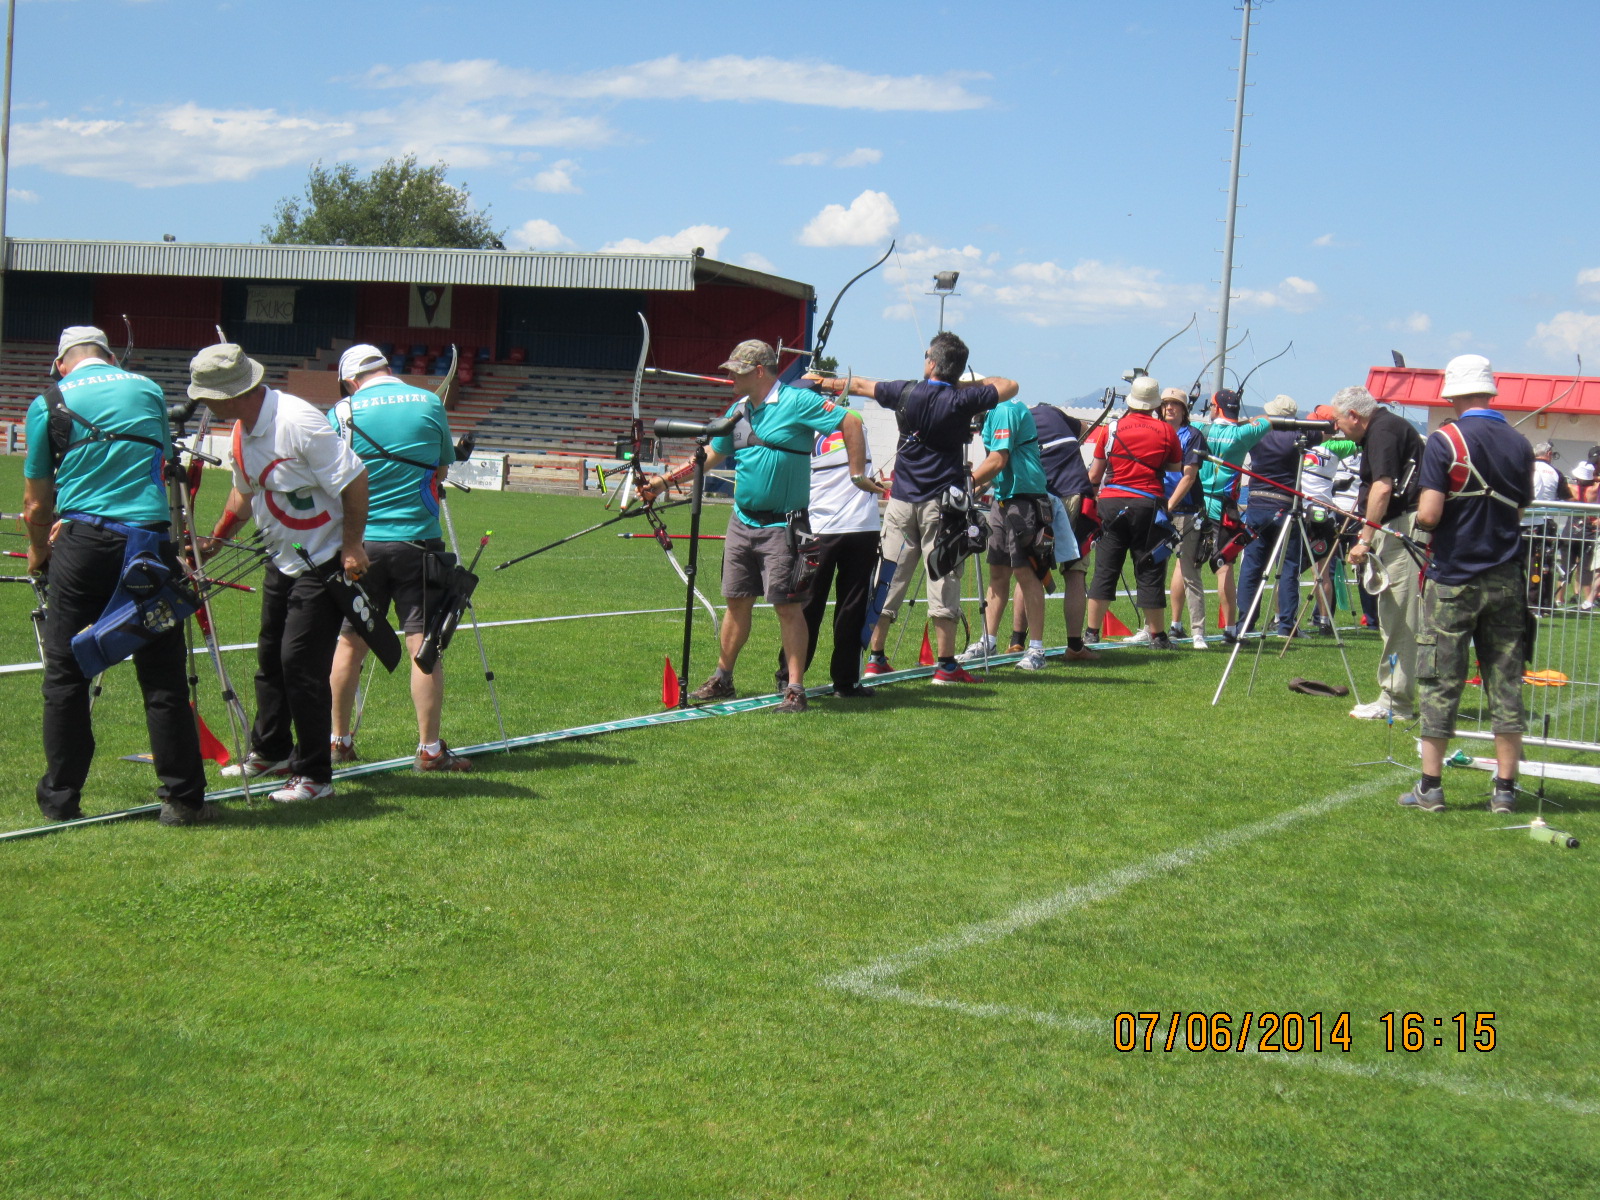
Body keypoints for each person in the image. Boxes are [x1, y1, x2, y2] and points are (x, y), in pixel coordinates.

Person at [21, 326, 211, 826]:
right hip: (149, 543)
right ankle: (183, 798)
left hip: (82, 544)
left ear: (61, 363)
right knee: (163, 675)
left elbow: (36, 503)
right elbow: (161, 462)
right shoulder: (147, 389)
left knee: (66, 674)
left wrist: (39, 551)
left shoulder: (50, 400)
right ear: (110, 356)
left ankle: (61, 798)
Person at [639, 339, 870, 714]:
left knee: (788, 607)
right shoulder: (738, 411)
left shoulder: (796, 401)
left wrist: (857, 474)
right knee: (736, 601)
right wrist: (664, 482)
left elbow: (851, 421)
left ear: (759, 371)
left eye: (738, 371)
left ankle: (795, 689)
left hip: (784, 526)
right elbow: (711, 454)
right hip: (742, 522)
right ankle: (723, 678)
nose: (731, 377)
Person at [194, 344, 371, 802]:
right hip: (281, 557)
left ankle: (315, 775)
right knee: (271, 657)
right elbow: (244, 492)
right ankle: (271, 749)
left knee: (300, 665)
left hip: (323, 561)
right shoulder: (241, 430)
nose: (203, 404)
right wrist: (214, 541)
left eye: (208, 396)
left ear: (233, 393)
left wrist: (352, 545)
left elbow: (355, 479)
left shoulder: (297, 422)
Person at [823, 332, 1015, 684]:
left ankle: (876, 658)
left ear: (932, 363)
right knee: (943, 577)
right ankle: (945, 666)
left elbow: (860, 385)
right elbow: (1009, 385)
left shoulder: (906, 391)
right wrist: (964, 384)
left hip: (901, 502)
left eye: (927, 356)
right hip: (941, 507)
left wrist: (823, 381)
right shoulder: (962, 398)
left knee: (889, 577)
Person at [325, 344, 471, 772]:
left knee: (349, 643)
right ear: (387, 369)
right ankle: (429, 750)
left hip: (359, 545)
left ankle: (338, 741)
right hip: (417, 543)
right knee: (423, 646)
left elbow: (330, 476)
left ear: (351, 380)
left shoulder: (342, 411)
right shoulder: (428, 402)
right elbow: (440, 470)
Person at [1398, 354, 1534, 814]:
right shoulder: (1520, 444)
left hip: (1454, 576)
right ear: (1489, 391)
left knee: (1439, 679)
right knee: (1505, 682)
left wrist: (1421, 520)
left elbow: (1430, 513)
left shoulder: (1446, 440)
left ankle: (1431, 787)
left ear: (1452, 394)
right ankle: (1505, 790)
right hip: (1507, 576)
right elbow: (1518, 510)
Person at [773, 421, 884, 697]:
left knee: (814, 605)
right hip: (851, 526)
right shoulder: (853, 422)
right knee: (841, 606)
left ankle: (794, 678)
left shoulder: (802, 428)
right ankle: (843, 682)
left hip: (832, 526)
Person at [1334, 385, 1425, 721]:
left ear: (1354, 415)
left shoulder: (1382, 431)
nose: (1337, 428)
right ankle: (1394, 696)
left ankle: (1395, 702)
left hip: (1401, 526)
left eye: (1339, 421)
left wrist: (1365, 538)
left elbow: (1382, 487)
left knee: (1399, 617)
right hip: (1400, 525)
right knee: (1394, 614)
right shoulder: (1387, 427)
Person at [1082, 377, 1185, 648]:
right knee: (1150, 568)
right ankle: (1158, 636)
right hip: (1148, 505)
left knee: (1105, 568)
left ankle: (1091, 632)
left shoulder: (1111, 429)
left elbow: (1095, 474)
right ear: (1155, 404)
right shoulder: (1166, 431)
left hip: (1112, 503)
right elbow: (1175, 468)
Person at [959, 390, 1053, 670]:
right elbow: (999, 466)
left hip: (1023, 500)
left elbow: (998, 460)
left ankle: (1036, 649)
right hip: (1003, 499)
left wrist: (964, 483)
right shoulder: (991, 414)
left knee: (1027, 573)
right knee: (998, 573)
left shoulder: (1003, 411)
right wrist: (978, 488)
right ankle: (987, 641)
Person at [1006, 400, 1095, 661]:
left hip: (1038, 495)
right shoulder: (1049, 412)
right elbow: (1083, 428)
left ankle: (1017, 641)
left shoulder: (1014, 420)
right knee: (1075, 572)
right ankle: (1075, 646)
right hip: (1071, 492)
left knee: (1028, 570)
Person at [1231, 395, 1309, 640]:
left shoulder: (1258, 433)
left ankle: (1245, 622)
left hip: (1257, 505)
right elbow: (1325, 432)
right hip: (1286, 506)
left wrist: (1257, 420)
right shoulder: (1299, 435)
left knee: (1252, 567)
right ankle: (1285, 625)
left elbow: (1241, 429)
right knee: (1288, 568)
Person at [1194, 389, 1272, 632]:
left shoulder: (1200, 429)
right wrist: (1244, 421)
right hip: (1224, 508)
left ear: (1217, 409)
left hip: (1197, 503)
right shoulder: (1242, 434)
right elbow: (1267, 419)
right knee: (1224, 565)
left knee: (1186, 566)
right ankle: (1229, 628)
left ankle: (1177, 624)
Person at [1157, 387, 1210, 649]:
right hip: (1159, 510)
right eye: (1165, 404)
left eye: (1175, 404)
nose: (1170, 408)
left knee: (1190, 572)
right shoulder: (1156, 432)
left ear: (1184, 409)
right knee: (1153, 571)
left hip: (1185, 512)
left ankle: (1198, 632)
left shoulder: (1192, 435)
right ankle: (1152, 628)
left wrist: (1169, 506)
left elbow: (1189, 476)